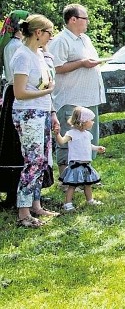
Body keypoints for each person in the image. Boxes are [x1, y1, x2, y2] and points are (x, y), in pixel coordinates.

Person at [12, 14, 60, 228]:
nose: (51, 37)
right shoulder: (22, 55)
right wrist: (47, 91)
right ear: (38, 33)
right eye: (49, 32)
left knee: (43, 160)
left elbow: (45, 86)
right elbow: (20, 93)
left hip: (42, 112)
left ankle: (36, 205)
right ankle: (23, 212)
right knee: (33, 161)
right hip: (28, 113)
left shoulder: (40, 54)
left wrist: (52, 112)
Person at [48, 4, 105, 181]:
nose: (87, 21)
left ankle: (85, 176)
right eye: (85, 18)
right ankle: (66, 179)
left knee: (87, 137)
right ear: (73, 19)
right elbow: (56, 67)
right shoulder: (61, 40)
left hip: (88, 98)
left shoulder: (85, 39)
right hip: (70, 98)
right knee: (70, 137)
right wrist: (81, 63)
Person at [0, 10, 29, 208]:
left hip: (14, 92)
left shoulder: (16, 45)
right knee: (13, 143)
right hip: (15, 93)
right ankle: (12, 192)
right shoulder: (15, 46)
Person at [54, 106, 106, 211]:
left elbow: (88, 145)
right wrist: (57, 134)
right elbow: (62, 141)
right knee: (72, 185)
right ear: (83, 122)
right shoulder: (71, 134)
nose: (93, 122)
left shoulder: (87, 134)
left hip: (86, 164)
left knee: (88, 184)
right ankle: (68, 204)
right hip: (75, 164)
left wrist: (96, 148)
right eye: (91, 120)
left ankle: (90, 200)